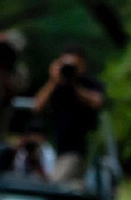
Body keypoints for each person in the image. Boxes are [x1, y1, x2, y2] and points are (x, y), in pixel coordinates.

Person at [34, 44, 106, 183]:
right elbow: (37, 106)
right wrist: (53, 80)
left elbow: (98, 101)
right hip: (55, 149)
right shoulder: (57, 85)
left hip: (77, 150)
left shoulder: (88, 84)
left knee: (56, 185)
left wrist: (75, 85)